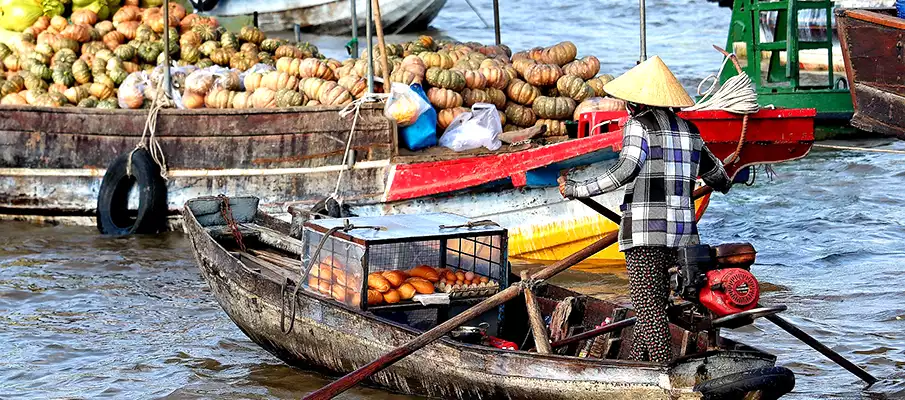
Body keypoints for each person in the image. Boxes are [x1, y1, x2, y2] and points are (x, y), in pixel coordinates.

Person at [557, 56, 733, 363]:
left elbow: (624, 171)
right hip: (682, 237)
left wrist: (576, 189)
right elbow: (718, 176)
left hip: (644, 232)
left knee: (648, 308)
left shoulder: (637, 125)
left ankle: (665, 371)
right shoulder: (690, 130)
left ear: (635, 103)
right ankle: (636, 364)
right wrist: (725, 180)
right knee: (654, 305)